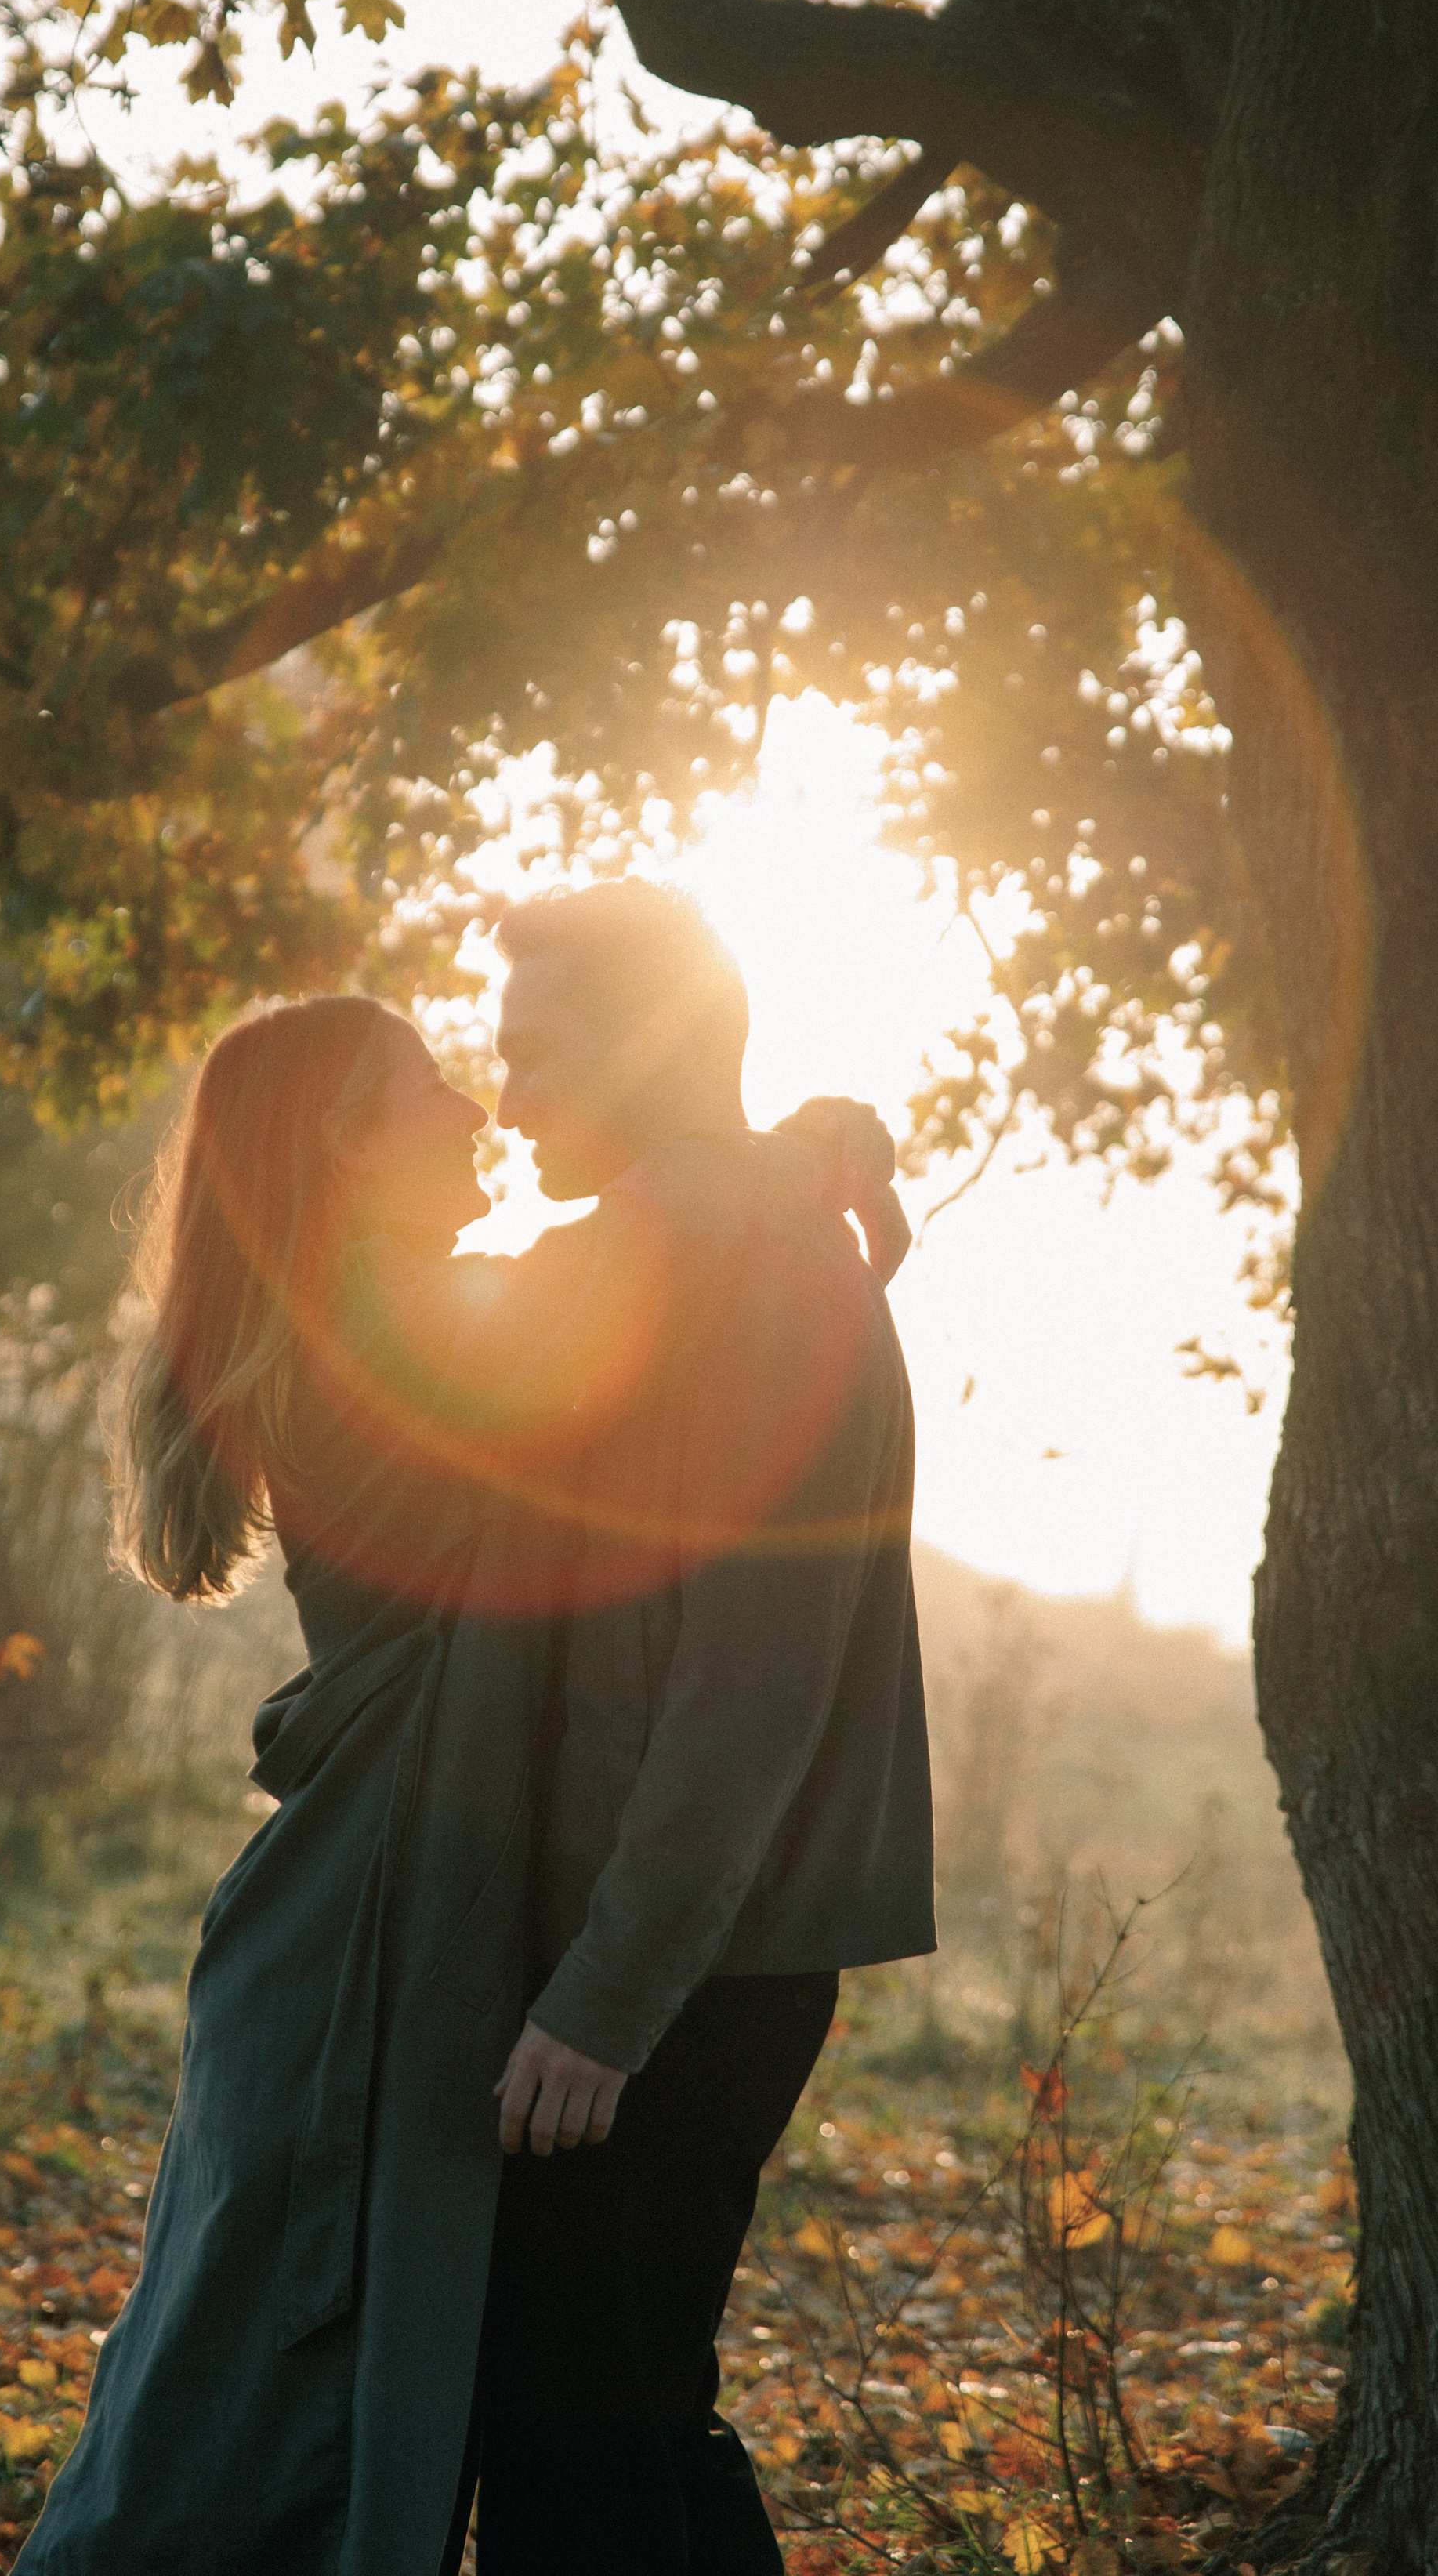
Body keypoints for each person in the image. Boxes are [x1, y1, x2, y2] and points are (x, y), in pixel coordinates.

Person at [15, 972, 914, 2576]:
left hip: (361, 1911)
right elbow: (630, 1262)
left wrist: (786, 1163)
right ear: (343, 1154)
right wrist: (787, 1160)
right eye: (429, 1083)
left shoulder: (394, 1308)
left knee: (317, 2366)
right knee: (262, 2388)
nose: (477, 1110)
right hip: (368, 1922)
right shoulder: (395, 1329)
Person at [456, 881, 936, 2576]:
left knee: (575, 2433)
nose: (503, 1100)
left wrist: (602, 1999)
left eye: (531, 1056)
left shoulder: (767, 1278)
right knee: (614, 2409)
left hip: (680, 1977)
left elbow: (753, 1679)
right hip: (647, 1958)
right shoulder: (679, 1256)